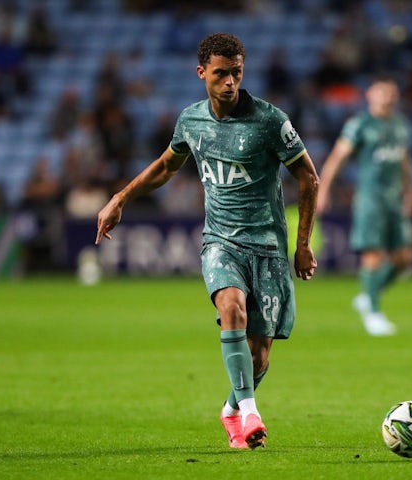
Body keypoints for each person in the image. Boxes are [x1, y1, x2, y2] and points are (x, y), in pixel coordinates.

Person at [95, 33, 319, 449]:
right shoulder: (191, 121)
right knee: (230, 307)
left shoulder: (271, 121)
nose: (230, 82)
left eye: (236, 73)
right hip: (220, 241)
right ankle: (251, 413)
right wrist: (120, 197)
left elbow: (308, 176)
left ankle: (233, 408)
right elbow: (166, 166)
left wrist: (302, 243)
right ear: (202, 73)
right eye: (221, 74)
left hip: (268, 246)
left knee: (260, 356)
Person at [316, 75, 412, 336]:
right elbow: (337, 157)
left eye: (391, 92)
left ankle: (368, 296)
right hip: (371, 198)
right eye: (381, 92)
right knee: (373, 255)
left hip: (395, 199)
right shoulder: (360, 124)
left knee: (404, 259)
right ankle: (373, 313)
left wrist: (410, 190)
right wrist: (323, 190)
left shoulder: (401, 124)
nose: (387, 97)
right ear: (369, 95)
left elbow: (404, 160)